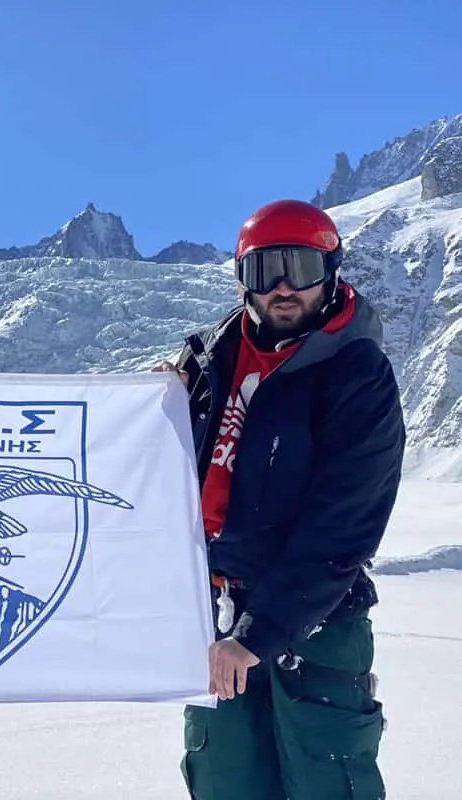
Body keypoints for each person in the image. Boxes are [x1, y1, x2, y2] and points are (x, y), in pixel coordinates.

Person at [154, 199, 405, 799]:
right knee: (224, 780)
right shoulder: (208, 361)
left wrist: (258, 634)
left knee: (327, 781)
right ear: (243, 278)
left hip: (314, 620)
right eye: (266, 271)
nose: (284, 288)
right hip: (216, 615)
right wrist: (157, 406)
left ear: (331, 270)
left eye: (301, 267)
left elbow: (342, 527)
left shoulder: (354, 372)